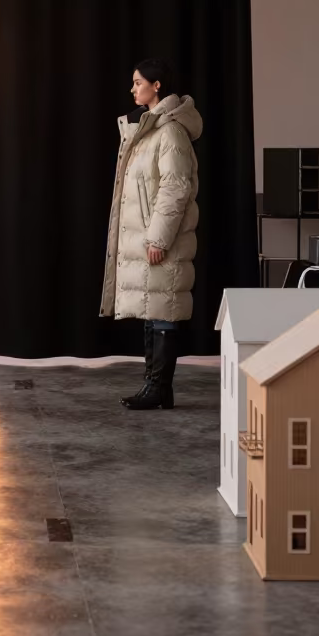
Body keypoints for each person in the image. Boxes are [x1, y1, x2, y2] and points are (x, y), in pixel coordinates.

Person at [100, 59, 202, 411]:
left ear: (157, 86)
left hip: (160, 241)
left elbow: (175, 188)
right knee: (153, 308)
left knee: (162, 311)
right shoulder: (149, 129)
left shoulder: (170, 131)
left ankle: (157, 388)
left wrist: (158, 238)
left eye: (138, 82)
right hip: (149, 239)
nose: (133, 89)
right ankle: (156, 388)